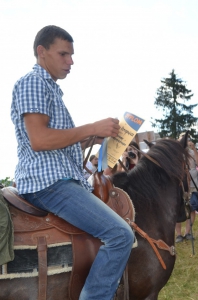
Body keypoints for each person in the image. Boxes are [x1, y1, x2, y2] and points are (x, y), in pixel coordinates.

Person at [10, 25, 134, 299]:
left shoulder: (50, 89)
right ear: (42, 52)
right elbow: (40, 139)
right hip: (50, 183)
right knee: (120, 235)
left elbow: (56, 143)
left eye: (71, 55)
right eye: (64, 54)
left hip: (58, 178)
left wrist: (99, 139)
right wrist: (91, 127)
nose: (71, 61)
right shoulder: (33, 82)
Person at [175, 133, 198, 242]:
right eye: (183, 139)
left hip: (193, 184)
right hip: (179, 185)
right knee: (177, 209)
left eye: (188, 139)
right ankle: (178, 234)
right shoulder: (176, 153)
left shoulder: (192, 153)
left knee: (192, 208)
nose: (186, 141)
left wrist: (194, 149)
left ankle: (188, 232)